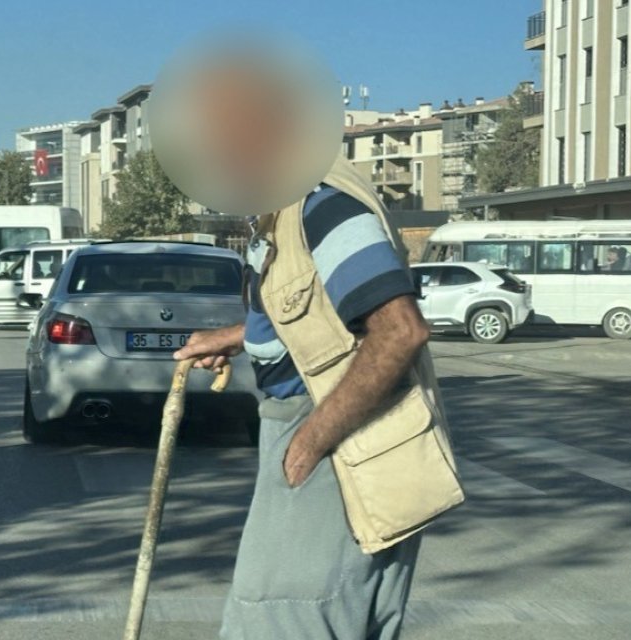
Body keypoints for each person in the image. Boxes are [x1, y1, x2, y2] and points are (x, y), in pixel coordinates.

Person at [176, 160, 460, 639]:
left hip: (334, 446)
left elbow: (400, 332)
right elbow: (319, 314)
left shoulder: (323, 208)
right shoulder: (280, 215)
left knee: (275, 620)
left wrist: (308, 445)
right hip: (321, 437)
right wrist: (238, 336)